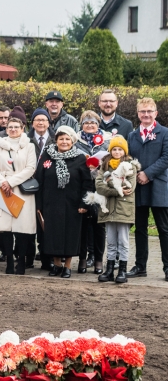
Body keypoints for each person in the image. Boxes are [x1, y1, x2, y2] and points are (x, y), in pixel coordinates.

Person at [34, 126, 93, 279]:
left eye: (67, 139)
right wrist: (39, 205)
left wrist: (84, 204)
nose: (64, 142)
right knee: (53, 234)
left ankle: (67, 266)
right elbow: (39, 179)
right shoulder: (47, 155)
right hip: (51, 203)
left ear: (72, 141)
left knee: (70, 235)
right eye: (61, 139)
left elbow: (87, 183)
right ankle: (57, 264)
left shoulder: (80, 158)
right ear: (56, 140)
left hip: (72, 204)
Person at [127, 97, 168, 281]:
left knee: (164, 229)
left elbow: (166, 158)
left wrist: (147, 174)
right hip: (139, 187)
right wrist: (135, 174)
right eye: (142, 111)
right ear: (138, 114)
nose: (146, 114)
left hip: (158, 186)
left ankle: (167, 267)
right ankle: (140, 266)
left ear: (155, 113)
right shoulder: (132, 135)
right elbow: (129, 158)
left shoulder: (165, 133)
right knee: (140, 228)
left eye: (149, 111)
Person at [0, 117, 37, 275]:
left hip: (21, 189)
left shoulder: (29, 146)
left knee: (22, 228)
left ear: (22, 128)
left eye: (17, 127)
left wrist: (11, 182)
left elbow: (30, 168)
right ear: (6, 129)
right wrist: (3, 182)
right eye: (10, 127)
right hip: (4, 189)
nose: (13, 129)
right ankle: (9, 261)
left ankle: (21, 261)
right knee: (5, 229)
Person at [95, 136, 138, 284]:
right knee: (111, 242)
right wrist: (114, 189)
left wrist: (109, 182)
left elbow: (128, 187)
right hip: (108, 210)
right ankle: (109, 270)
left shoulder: (130, 166)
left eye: (120, 149)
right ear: (110, 150)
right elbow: (99, 186)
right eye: (114, 149)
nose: (117, 152)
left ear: (124, 151)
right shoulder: (105, 166)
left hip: (123, 209)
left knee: (123, 242)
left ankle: (122, 271)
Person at [75, 110, 108, 274]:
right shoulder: (75, 140)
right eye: (86, 123)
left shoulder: (107, 140)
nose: (89, 125)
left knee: (99, 224)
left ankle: (98, 259)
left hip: (100, 187)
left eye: (93, 122)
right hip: (82, 186)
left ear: (98, 124)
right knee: (83, 224)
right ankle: (83, 257)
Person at [28, 108, 53, 270]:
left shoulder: (55, 140)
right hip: (28, 186)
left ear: (48, 123)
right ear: (32, 123)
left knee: (46, 222)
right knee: (29, 222)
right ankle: (28, 256)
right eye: (37, 120)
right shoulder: (26, 140)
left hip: (48, 187)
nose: (41, 123)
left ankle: (46, 258)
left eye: (44, 120)